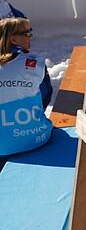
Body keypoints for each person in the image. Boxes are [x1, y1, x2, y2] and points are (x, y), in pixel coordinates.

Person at [0, 18, 52, 157]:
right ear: (13, 39)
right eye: (26, 33)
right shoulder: (35, 63)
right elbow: (46, 96)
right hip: (35, 138)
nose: (30, 36)